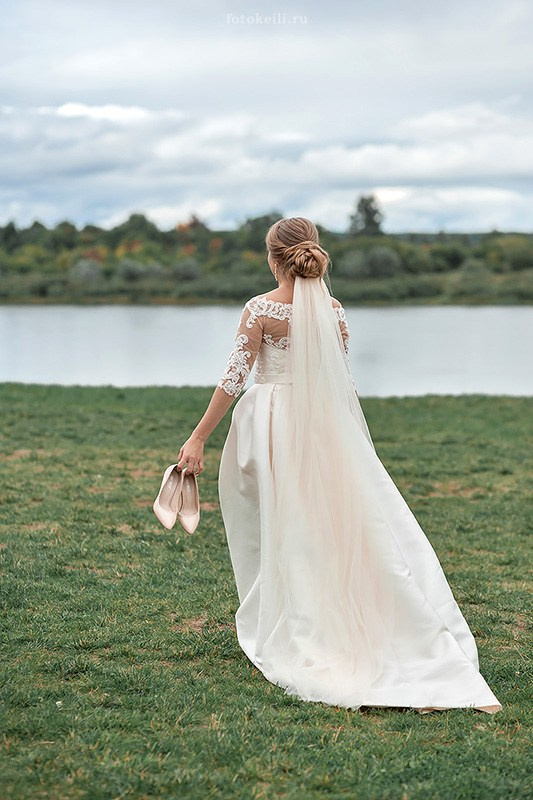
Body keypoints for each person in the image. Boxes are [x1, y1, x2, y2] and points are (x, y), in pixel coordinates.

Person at [176, 216, 502, 714]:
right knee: (334, 524)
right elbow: (342, 382)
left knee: (289, 526)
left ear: (272, 257)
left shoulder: (259, 308)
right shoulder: (334, 311)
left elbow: (233, 379)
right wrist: (354, 444)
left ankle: (303, 620)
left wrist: (198, 437)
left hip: (272, 429)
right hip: (327, 428)